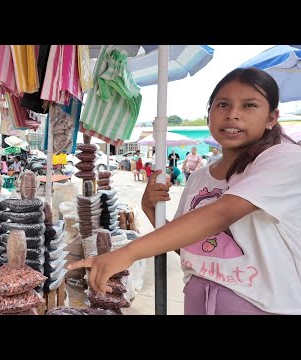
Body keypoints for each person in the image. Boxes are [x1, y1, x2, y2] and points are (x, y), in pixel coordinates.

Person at [68, 68, 301, 315]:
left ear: (271, 118)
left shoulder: (285, 159)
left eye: (249, 105)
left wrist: (128, 253)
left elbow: (222, 214)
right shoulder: (200, 176)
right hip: (197, 301)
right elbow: (189, 245)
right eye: (223, 104)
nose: (233, 115)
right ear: (209, 114)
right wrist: (149, 208)